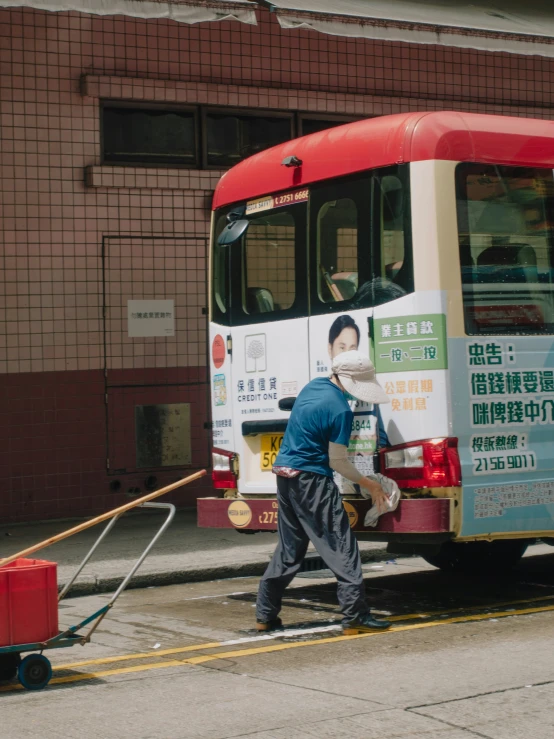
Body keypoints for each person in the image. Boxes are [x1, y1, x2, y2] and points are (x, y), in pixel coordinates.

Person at [255, 350, 392, 635]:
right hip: (312, 480)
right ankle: (354, 616)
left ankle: (265, 614)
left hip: (285, 475)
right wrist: (372, 484)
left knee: (290, 549)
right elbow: (337, 461)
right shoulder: (340, 409)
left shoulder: (313, 386)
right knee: (340, 545)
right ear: (352, 381)